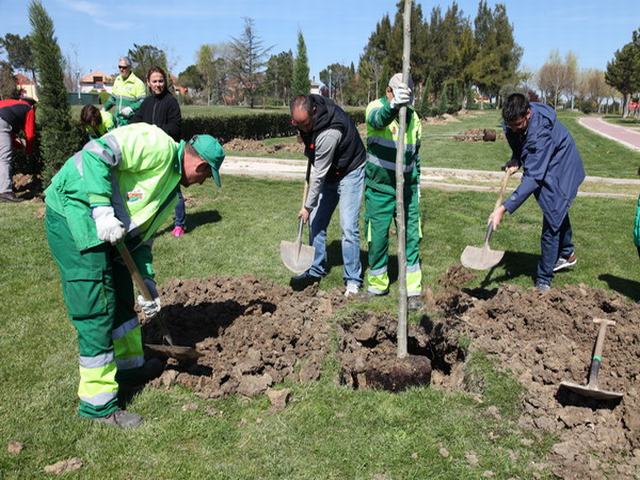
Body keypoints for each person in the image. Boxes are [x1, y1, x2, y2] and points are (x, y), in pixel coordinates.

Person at [44, 123, 225, 428]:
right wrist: (101, 209)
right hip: (74, 211)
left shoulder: (170, 190)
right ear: (200, 164)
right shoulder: (154, 142)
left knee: (123, 300)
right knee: (96, 308)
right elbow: (95, 154)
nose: (204, 182)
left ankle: (128, 370)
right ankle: (97, 406)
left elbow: (141, 241)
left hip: (112, 233)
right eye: (207, 176)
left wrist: (149, 287)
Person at [489, 93, 585, 292]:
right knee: (556, 210)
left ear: (528, 114)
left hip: (562, 165)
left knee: (553, 213)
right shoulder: (513, 121)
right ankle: (567, 254)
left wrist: (504, 208)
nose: (513, 129)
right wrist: (517, 157)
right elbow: (517, 141)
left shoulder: (540, 133)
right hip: (546, 161)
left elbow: (532, 178)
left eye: (518, 125)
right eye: (510, 125)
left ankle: (544, 280)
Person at [290, 94, 366, 297]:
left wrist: (307, 206)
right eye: (298, 124)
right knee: (316, 221)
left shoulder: (329, 133)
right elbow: (311, 147)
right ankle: (316, 268)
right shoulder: (307, 117)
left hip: (350, 170)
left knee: (348, 226)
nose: (303, 128)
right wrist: (306, 138)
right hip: (331, 170)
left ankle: (352, 279)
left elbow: (318, 175)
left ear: (313, 113)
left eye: (305, 124)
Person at [364, 73, 424, 310]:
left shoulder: (414, 118)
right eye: (400, 95)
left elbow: (416, 155)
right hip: (380, 188)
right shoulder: (376, 107)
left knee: (411, 238)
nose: (406, 102)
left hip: (407, 189)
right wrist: (392, 106)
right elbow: (378, 120)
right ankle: (378, 285)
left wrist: (417, 185)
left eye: (409, 97)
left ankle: (412, 290)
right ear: (390, 91)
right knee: (377, 238)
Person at [130, 66, 185, 237]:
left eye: (161, 81)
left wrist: (154, 129)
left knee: (174, 190)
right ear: (148, 83)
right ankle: (145, 224)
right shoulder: (146, 102)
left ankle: (179, 224)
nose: (158, 84)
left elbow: (175, 128)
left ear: (165, 82)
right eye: (154, 81)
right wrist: (128, 123)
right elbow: (138, 120)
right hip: (150, 155)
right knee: (148, 190)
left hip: (168, 152)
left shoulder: (171, 102)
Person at [0, 96, 36, 202]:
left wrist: (19, 146)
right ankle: (5, 192)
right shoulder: (29, 108)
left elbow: (7, 137)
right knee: (3, 158)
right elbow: (30, 134)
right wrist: (29, 151)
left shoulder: (12, 105)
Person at [102, 57, 146, 127]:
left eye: (124, 67)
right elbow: (113, 98)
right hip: (118, 121)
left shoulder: (138, 83)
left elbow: (142, 101)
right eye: (119, 67)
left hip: (131, 122)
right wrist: (104, 109)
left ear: (129, 67)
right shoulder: (117, 80)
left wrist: (131, 108)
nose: (121, 69)